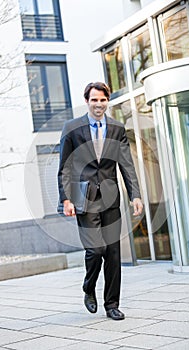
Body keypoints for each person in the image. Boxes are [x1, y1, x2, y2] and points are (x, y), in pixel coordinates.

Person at [58, 82, 143, 320]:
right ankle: (88, 287)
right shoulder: (72, 128)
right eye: (94, 100)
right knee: (95, 250)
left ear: (108, 102)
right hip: (83, 199)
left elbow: (126, 164)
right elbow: (64, 168)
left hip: (110, 199)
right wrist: (66, 199)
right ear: (87, 101)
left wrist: (135, 194)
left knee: (113, 253)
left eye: (102, 100)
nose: (98, 104)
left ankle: (112, 304)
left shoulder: (116, 128)